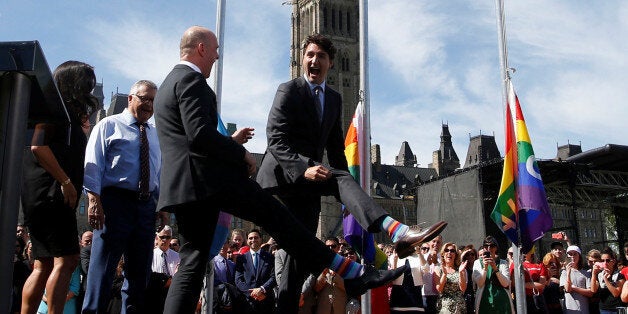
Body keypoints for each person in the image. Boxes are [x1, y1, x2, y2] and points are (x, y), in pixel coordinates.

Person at [153, 26, 406, 314]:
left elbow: (188, 138)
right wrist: (240, 153)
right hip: (208, 183)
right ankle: (350, 271)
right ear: (201, 49)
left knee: (191, 266)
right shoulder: (192, 81)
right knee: (278, 218)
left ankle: (351, 271)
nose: (217, 57)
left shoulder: (168, 84)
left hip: (183, 189)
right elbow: (200, 134)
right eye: (215, 50)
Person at [256, 32, 447, 313]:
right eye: (309, 55)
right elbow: (275, 139)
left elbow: (336, 152)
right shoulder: (289, 90)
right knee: (298, 254)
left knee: (296, 268)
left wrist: (351, 197)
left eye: (321, 56)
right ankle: (367, 263)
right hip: (282, 182)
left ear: (331, 63)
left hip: (309, 187)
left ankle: (398, 231)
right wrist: (304, 169)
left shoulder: (332, 99)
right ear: (301, 58)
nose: (314, 60)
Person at [20, 60, 98, 313]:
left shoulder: (62, 112)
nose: (89, 89)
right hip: (52, 194)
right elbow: (38, 146)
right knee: (67, 259)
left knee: (43, 263)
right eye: (86, 83)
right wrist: (66, 182)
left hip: (45, 194)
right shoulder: (54, 107)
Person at [82, 80, 161, 313]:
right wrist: (94, 201)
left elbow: (159, 171)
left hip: (146, 206)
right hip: (114, 204)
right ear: (130, 98)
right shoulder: (108, 125)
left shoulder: (155, 135)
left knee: (139, 273)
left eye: (153, 100)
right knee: (102, 269)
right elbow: (93, 165)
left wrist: (162, 206)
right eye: (144, 98)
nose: (149, 104)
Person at [234, 230, 276, 313]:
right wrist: (252, 294)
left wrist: (262, 289)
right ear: (247, 240)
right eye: (250, 238)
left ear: (261, 239)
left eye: (256, 238)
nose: (253, 240)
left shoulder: (270, 257)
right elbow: (238, 280)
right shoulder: (241, 259)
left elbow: (274, 276)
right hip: (248, 303)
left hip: (265, 300)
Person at [472, 236, 513, 313]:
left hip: (502, 303)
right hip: (484, 302)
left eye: (492, 246)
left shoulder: (503, 263)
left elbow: (506, 283)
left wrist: (495, 268)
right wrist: (485, 268)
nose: (489, 248)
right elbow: (480, 283)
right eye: (486, 246)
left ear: (496, 248)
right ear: (483, 248)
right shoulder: (477, 263)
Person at [389, 245, 427, 313]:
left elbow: (426, 269)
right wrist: (395, 260)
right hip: (398, 298)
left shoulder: (418, 257)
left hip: (415, 298)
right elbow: (392, 276)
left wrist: (419, 253)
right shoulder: (394, 256)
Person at [590, 247, 625, 314]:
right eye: (603, 261)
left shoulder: (619, 275)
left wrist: (606, 280)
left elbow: (616, 293)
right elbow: (593, 290)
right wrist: (594, 274)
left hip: (616, 309)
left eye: (608, 260)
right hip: (603, 309)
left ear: (613, 262)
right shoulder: (599, 275)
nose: (605, 263)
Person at [560, 246, 593, 313]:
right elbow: (568, 289)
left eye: (575, 254)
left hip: (583, 311)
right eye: (570, 254)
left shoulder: (586, 273)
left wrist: (574, 288)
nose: (572, 256)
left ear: (579, 256)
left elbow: (590, 293)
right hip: (569, 311)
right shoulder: (564, 272)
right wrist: (568, 273)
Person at [436, 243, 467, 313]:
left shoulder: (460, 269)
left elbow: (463, 289)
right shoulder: (438, 269)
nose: (449, 252)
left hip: (459, 307)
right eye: (446, 250)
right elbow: (439, 289)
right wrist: (444, 274)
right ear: (443, 254)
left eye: (452, 251)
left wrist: (461, 272)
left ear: (455, 255)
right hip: (444, 308)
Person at [460, 245, 477, 314]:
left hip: (476, 296)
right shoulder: (463, 269)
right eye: (467, 254)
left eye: (472, 254)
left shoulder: (478, 267)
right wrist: (462, 255)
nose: (470, 256)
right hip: (466, 296)